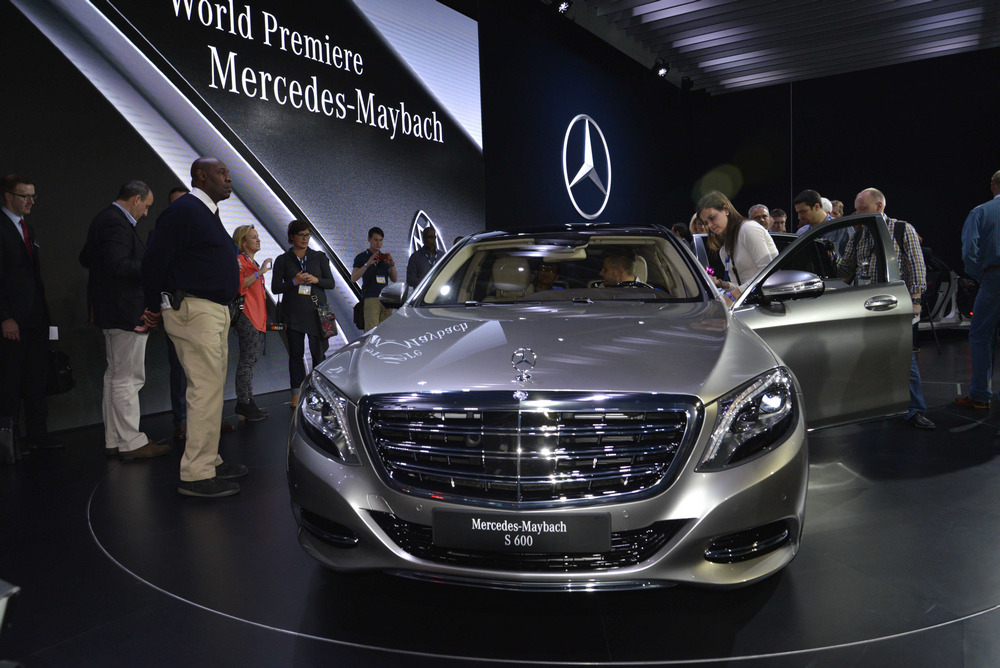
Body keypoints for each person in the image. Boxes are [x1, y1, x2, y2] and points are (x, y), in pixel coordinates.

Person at [141, 157, 245, 498]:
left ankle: (209, 460)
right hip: (195, 310)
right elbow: (154, 260)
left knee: (211, 390)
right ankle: (197, 474)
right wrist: (153, 304)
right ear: (201, 176)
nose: (228, 179)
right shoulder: (184, 210)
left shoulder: (205, 213)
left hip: (212, 310)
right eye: (221, 173)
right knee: (204, 390)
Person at [79, 180, 168, 459]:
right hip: (125, 311)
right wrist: (153, 266)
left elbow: (86, 258)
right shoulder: (115, 222)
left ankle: (115, 440)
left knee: (115, 376)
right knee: (128, 378)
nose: (146, 213)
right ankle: (131, 442)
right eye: (146, 206)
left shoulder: (104, 220)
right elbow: (118, 266)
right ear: (135, 199)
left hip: (113, 311)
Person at [838, 187, 935, 430]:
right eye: (856, 209)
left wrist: (916, 300)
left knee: (905, 357)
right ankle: (875, 406)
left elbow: (916, 266)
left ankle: (914, 409)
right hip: (864, 307)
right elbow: (845, 271)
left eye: (862, 209)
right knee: (868, 357)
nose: (857, 214)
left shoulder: (902, 229)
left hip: (894, 306)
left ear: (879, 206)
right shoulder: (858, 235)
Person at [0, 174, 61, 453]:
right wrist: (5, 316)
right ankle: (10, 441)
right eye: (25, 196)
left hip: (35, 317)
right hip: (12, 320)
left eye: (33, 196)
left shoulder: (28, 228)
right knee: (10, 382)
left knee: (36, 378)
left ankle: (38, 434)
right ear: (8, 196)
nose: (31, 201)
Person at [271, 220, 334, 408]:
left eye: (307, 235)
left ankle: (320, 391)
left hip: (316, 313)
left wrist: (316, 279)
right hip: (293, 314)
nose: (305, 239)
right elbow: (275, 288)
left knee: (319, 354)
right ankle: (296, 394)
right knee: (296, 355)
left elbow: (330, 283)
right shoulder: (283, 259)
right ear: (292, 237)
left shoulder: (319, 257)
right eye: (301, 235)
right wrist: (294, 281)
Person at [955, 170, 1000, 410]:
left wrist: (981, 275)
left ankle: (981, 395)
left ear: (993, 185)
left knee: (982, 336)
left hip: (993, 277)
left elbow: (969, 252)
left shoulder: (980, 212)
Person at [696, 191, 778, 301]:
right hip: (749, 303)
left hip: (767, 302)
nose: (710, 225)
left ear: (726, 209)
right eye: (706, 223)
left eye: (712, 218)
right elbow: (740, 285)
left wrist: (732, 296)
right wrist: (722, 284)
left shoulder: (748, 229)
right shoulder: (724, 249)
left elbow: (768, 271)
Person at [232, 224, 272, 421]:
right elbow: (239, 285)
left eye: (258, 236)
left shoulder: (251, 262)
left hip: (256, 317)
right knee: (247, 361)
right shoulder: (240, 260)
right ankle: (244, 402)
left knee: (250, 360)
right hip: (247, 316)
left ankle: (247, 401)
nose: (258, 240)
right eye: (253, 237)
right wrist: (260, 272)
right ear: (243, 241)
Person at [351, 226, 397, 331]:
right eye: (375, 240)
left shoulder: (384, 258)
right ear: (369, 239)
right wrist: (367, 264)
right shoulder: (361, 257)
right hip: (371, 298)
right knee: (371, 331)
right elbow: (353, 278)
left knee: (385, 331)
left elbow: (394, 279)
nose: (378, 243)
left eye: (381, 240)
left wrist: (392, 264)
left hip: (386, 299)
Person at [793, 189, 852, 257]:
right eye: (798, 213)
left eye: (803, 212)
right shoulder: (801, 233)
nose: (799, 217)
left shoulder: (843, 229)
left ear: (817, 207)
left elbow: (852, 260)